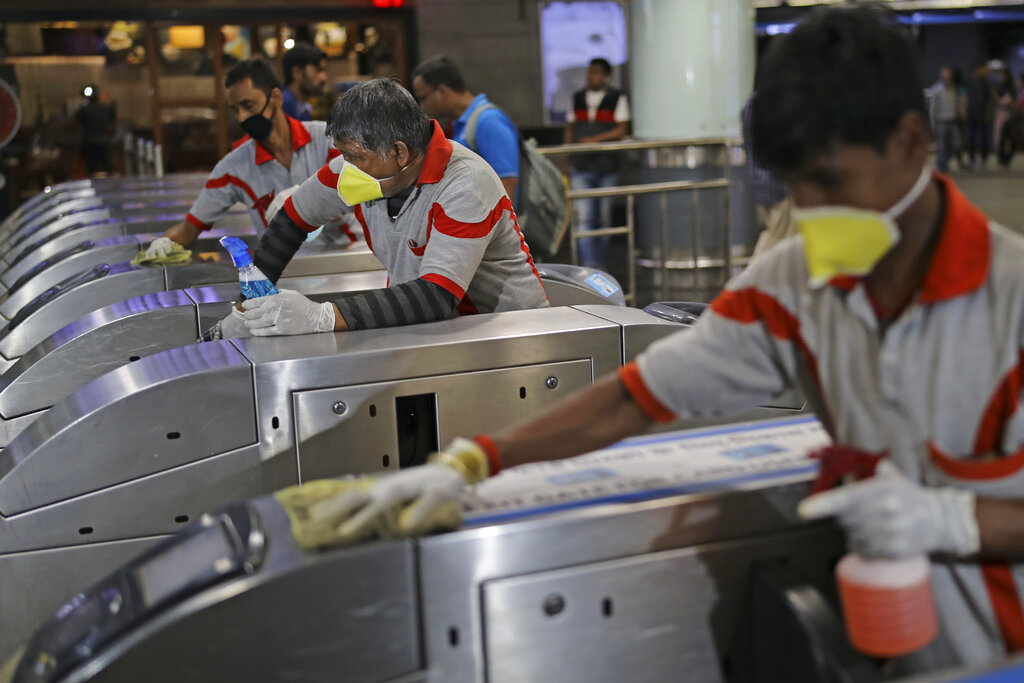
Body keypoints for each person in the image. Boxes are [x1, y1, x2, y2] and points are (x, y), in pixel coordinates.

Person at [298, 7, 1024, 674]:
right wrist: (473, 461)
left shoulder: (1012, 299)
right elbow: (638, 397)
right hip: (893, 642)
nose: (813, 212)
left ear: (912, 141)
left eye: (831, 180)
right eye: (795, 187)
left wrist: (953, 517)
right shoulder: (797, 281)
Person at [214, 78, 548, 338]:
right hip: (436, 329)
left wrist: (322, 316)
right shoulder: (361, 172)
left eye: (355, 157)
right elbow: (292, 219)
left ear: (399, 152)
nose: (346, 167)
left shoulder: (464, 183)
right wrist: (250, 303)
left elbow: (435, 295)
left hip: (508, 332)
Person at [144, 59, 354, 260]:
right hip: (284, 269)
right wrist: (164, 243)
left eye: (249, 105)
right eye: (236, 110)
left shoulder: (328, 140)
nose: (242, 117)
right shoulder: (234, 168)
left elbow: (365, 189)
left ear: (276, 98)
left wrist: (307, 199)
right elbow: (191, 226)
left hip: (348, 258)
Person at [410, 56, 519, 203]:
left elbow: (507, 183)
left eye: (423, 98)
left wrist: (495, 226)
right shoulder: (462, 124)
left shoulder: (488, 121)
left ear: (442, 91)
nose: (422, 106)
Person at [563, 57, 630, 269]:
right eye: (590, 72)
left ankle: (599, 262)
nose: (591, 76)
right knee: (584, 218)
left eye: (596, 72)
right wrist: (566, 157)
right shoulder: (578, 98)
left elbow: (622, 129)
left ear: (607, 76)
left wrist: (595, 141)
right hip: (581, 164)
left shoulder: (617, 97)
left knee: (603, 218)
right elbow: (570, 129)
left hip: (606, 165)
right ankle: (589, 265)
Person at [75, 84, 115, 176]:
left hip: (90, 142)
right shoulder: (105, 109)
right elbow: (112, 124)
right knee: (108, 169)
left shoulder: (83, 110)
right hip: (103, 141)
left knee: (92, 170)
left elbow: (76, 123)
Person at [281, 43, 327, 122]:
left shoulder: (301, 106)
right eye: (317, 70)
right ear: (297, 72)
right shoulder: (282, 107)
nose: (324, 78)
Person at [927, 67, 958, 173]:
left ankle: (946, 160)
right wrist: (932, 124)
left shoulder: (952, 88)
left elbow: (954, 103)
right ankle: (941, 166)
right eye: (945, 75)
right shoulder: (936, 89)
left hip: (952, 120)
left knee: (956, 143)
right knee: (941, 145)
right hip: (941, 121)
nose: (947, 77)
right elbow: (932, 109)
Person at [965, 62, 994, 169]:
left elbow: (989, 98)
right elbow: (965, 97)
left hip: (982, 114)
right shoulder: (969, 82)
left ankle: (983, 158)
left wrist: (987, 112)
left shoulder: (985, 82)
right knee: (971, 137)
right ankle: (972, 159)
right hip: (971, 114)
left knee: (983, 137)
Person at [994, 70, 1017, 170]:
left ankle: (1005, 160)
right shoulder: (1000, 87)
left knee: (1010, 139)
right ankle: (1002, 160)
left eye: (1002, 74)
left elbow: (1010, 103)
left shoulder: (1011, 89)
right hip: (1001, 115)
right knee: (1000, 138)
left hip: (1009, 117)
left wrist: (996, 96)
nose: (1000, 76)